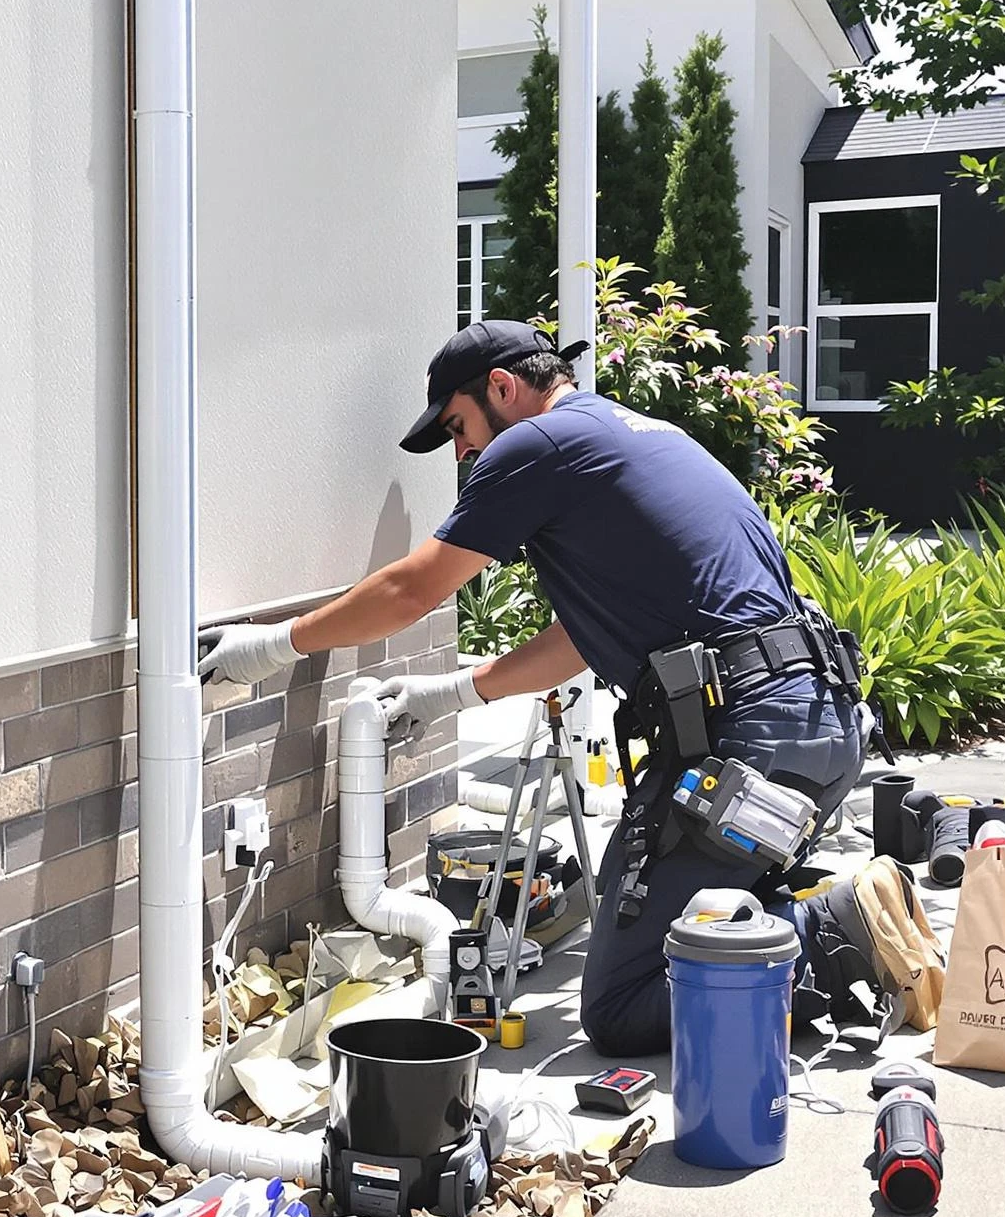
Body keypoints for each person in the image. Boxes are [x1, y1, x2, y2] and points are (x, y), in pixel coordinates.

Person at [197, 319, 914, 1055]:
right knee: (693, 923)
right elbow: (574, 641)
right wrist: (449, 694)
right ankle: (804, 930)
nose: (463, 452)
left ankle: (828, 929)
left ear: (503, 389)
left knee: (621, 1003)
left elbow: (414, 591)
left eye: (458, 426)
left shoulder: (535, 446)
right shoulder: (635, 436)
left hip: (742, 750)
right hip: (818, 727)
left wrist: (273, 646)